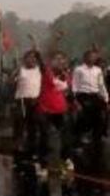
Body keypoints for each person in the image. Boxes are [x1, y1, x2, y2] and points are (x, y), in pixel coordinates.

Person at [36, 51, 73, 180]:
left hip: (61, 110)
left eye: (62, 59)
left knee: (65, 137)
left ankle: (65, 161)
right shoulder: (47, 72)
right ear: (51, 62)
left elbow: (67, 92)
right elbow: (41, 61)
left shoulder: (66, 75)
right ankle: (42, 165)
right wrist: (38, 49)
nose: (60, 61)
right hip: (45, 110)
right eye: (57, 59)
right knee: (45, 138)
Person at [72, 49, 109, 151]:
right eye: (90, 56)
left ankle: (97, 139)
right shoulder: (79, 69)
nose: (93, 58)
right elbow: (74, 85)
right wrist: (75, 99)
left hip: (95, 95)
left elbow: (101, 85)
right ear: (85, 57)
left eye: (94, 57)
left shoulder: (98, 70)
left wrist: (106, 99)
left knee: (101, 116)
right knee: (84, 117)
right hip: (83, 95)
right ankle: (79, 140)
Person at [13, 50, 43, 162]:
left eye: (34, 58)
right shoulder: (21, 70)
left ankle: (32, 147)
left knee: (33, 126)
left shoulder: (39, 70)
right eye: (29, 57)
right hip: (22, 100)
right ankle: (18, 146)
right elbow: (11, 80)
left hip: (35, 100)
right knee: (20, 124)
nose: (32, 60)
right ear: (25, 59)